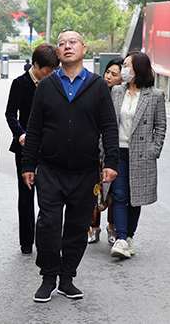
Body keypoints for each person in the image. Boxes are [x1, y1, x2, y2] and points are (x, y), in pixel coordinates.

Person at [22, 29, 119, 302]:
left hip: (86, 171)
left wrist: (111, 162)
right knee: (48, 225)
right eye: (62, 43)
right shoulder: (47, 86)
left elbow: (109, 127)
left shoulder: (97, 86)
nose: (67, 46)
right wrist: (28, 164)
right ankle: (48, 277)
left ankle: (67, 279)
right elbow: (34, 128)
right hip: (50, 169)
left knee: (77, 228)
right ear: (57, 52)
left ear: (84, 49)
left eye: (73, 42)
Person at [109, 51, 167, 258]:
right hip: (118, 152)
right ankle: (121, 239)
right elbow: (108, 122)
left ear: (138, 69)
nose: (123, 69)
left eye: (127, 65)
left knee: (136, 197)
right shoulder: (116, 91)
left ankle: (129, 236)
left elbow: (160, 126)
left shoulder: (155, 95)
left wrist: (154, 151)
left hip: (141, 155)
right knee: (119, 195)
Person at [5, 44, 59, 254]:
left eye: (54, 69)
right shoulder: (20, 83)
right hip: (25, 146)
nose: (51, 73)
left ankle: (47, 239)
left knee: (50, 195)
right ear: (36, 65)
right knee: (26, 196)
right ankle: (26, 241)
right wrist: (20, 134)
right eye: (48, 69)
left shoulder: (55, 83)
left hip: (50, 146)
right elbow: (10, 114)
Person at [88, 56, 124, 245]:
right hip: (94, 149)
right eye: (107, 72)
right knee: (95, 189)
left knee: (113, 192)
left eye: (114, 74)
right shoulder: (97, 92)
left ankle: (112, 227)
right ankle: (94, 229)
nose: (108, 76)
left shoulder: (122, 98)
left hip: (113, 150)